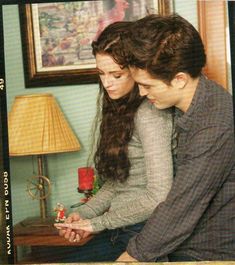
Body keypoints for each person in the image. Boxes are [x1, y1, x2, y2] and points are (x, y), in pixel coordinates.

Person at [116, 14, 235, 262]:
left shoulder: (214, 123)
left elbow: (181, 207)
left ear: (179, 79)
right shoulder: (198, 104)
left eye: (148, 85)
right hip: (184, 247)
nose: (141, 92)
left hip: (208, 256)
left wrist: (129, 257)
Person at [54, 21, 173, 262]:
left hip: (142, 233)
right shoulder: (118, 110)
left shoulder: (150, 114)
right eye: (101, 73)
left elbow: (160, 195)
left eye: (116, 74)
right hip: (117, 230)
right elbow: (117, 184)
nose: (107, 82)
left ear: (136, 70)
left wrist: (96, 223)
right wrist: (83, 215)